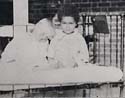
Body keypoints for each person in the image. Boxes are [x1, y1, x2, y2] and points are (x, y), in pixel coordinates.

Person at [48, 4, 89, 69]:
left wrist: (79, 63)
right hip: (59, 70)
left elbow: (85, 56)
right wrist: (55, 64)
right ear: (60, 23)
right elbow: (50, 56)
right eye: (64, 23)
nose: (67, 26)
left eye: (70, 23)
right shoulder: (56, 38)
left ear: (75, 23)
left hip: (75, 70)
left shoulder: (79, 38)